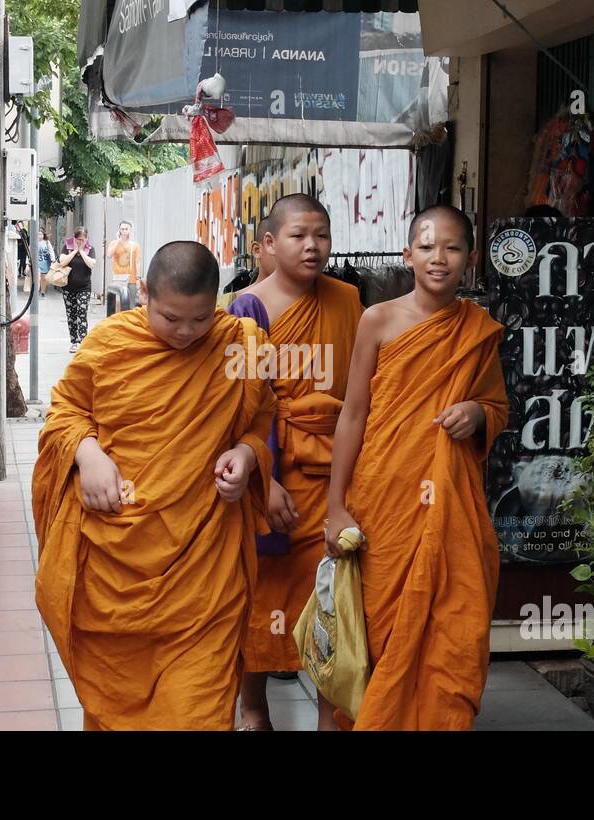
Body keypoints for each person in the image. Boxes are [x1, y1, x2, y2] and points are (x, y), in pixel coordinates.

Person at [33, 241, 276, 730]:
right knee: (115, 708)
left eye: (200, 319)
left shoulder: (243, 346)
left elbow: (263, 416)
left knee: (200, 712)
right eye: (171, 318)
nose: (187, 332)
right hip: (117, 563)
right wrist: (88, 453)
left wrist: (247, 455)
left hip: (204, 566)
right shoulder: (108, 344)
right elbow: (63, 415)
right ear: (144, 294)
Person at [325, 204, 510, 730]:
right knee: (382, 628)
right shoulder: (377, 320)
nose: (439, 258)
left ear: (470, 260)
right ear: (407, 255)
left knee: (452, 630)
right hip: (384, 500)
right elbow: (353, 413)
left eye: (452, 248)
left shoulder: (476, 330)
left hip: (449, 506)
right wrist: (335, 507)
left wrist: (475, 413)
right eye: (427, 247)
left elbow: (496, 407)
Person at [226, 194, 362, 731]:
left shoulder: (351, 301)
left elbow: (360, 397)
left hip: (335, 479)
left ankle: (335, 711)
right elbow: (236, 408)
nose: (312, 246)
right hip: (271, 482)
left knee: (335, 605)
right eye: (298, 235)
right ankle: (254, 706)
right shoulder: (242, 312)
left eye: (322, 235)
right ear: (267, 244)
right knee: (261, 602)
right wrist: (265, 481)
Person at [58, 229, 95, 352]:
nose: (80, 242)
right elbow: (62, 261)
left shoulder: (90, 249)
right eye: (77, 239)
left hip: (84, 287)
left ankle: (83, 341)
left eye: (82, 240)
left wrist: (82, 251)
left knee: (82, 312)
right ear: (74, 239)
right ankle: (74, 341)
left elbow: (91, 264)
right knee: (71, 315)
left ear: (86, 239)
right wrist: (74, 251)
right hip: (68, 288)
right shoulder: (67, 247)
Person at [107, 220, 142, 289]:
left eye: (126, 229)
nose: (124, 231)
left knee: (132, 299)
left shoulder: (135, 245)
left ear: (130, 230)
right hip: (118, 278)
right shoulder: (114, 243)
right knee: (119, 299)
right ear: (119, 230)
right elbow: (109, 255)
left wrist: (138, 278)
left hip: (132, 279)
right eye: (122, 229)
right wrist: (118, 240)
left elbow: (137, 262)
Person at [36, 227, 56, 298]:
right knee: (37, 278)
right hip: (36, 263)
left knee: (43, 278)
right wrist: (27, 263)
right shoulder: (34, 242)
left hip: (45, 262)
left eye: (41, 234)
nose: (39, 236)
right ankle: (36, 292)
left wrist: (53, 261)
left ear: (43, 235)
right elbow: (29, 253)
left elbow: (51, 251)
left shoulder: (47, 242)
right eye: (38, 234)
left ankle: (42, 292)